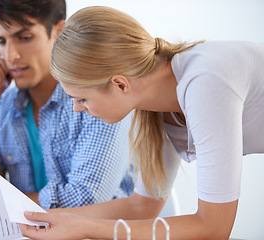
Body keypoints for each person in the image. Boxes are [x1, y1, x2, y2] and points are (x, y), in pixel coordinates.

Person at [18, 6, 264, 239]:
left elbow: (214, 228)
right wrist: (33, 221)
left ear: (120, 84)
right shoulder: (156, 104)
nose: (76, 108)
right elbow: (140, 207)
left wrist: (87, 228)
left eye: (82, 98)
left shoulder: (205, 83)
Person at [0, 1, 134, 211]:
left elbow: (86, 200)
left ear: (59, 31)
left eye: (24, 38)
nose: (10, 55)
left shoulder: (98, 99)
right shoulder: (1, 109)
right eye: (1, 41)